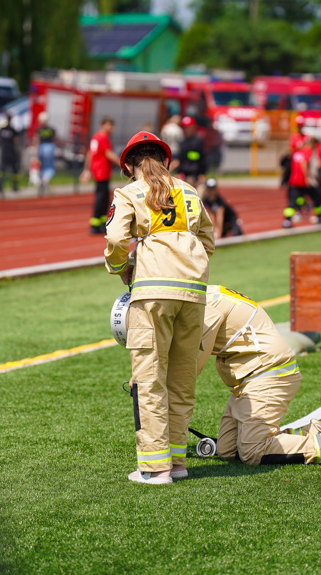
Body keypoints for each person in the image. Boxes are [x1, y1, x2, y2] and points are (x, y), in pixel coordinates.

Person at [105, 131, 215, 485]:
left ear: (128, 165)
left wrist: (123, 268)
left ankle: (154, 469)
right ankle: (178, 463)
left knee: (149, 380)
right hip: (194, 292)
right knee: (181, 380)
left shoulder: (128, 193)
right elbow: (208, 241)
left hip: (152, 291)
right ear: (166, 160)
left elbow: (116, 240)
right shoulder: (190, 191)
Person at [197, 285, 321, 466]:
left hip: (266, 375)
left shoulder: (206, 307)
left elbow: (191, 366)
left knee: (252, 452)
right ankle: (310, 434)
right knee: (228, 450)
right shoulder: (206, 295)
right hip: (250, 378)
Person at [81, 117, 119, 234]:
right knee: (102, 198)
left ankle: (100, 223)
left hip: (101, 171)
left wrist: (87, 169)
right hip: (101, 171)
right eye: (109, 125)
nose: (111, 128)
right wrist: (122, 163)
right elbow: (108, 154)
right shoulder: (102, 138)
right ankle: (97, 224)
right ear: (103, 125)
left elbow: (90, 153)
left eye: (112, 126)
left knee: (104, 197)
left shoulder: (96, 137)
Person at [283, 136, 315, 228]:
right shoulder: (308, 151)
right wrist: (307, 178)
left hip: (293, 181)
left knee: (292, 202)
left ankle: (287, 220)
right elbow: (304, 163)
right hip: (302, 181)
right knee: (317, 197)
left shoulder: (296, 152)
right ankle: (319, 217)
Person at [169, 115, 206, 187]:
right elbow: (179, 159)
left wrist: (202, 174)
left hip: (194, 174)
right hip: (182, 173)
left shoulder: (198, 142)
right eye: (185, 127)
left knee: (189, 182)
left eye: (188, 127)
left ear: (193, 127)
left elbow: (202, 159)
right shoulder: (183, 142)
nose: (186, 129)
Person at [0, 111, 21, 196]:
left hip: (4, 152)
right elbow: (17, 139)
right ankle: (14, 186)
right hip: (11, 152)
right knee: (14, 170)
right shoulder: (12, 130)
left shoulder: (1, 129)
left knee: (1, 170)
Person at [33, 112, 57, 195]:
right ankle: (45, 180)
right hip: (50, 148)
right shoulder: (51, 129)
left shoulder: (39, 129)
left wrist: (34, 150)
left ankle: (42, 181)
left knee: (41, 166)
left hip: (41, 148)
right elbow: (55, 139)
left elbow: (36, 139)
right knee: (49, 166)